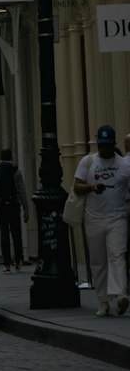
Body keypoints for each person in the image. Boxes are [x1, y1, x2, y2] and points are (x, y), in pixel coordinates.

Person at [73, 124, 130, 317]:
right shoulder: (88, 162)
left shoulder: (124, 165)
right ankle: (103, 301)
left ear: (113, 145)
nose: (104, 149)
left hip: (117, 217)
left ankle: (121, 294)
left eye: (107, 145)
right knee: (98, 262)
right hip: (94, 219)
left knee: (117, 255)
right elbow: (76, 186)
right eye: (101, 145)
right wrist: (91, 187)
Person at [0, 147, 28, 272]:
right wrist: (26, 209)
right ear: (10, 157)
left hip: (2, 205)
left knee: (4, 234)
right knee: (16, 232)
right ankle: (18, 260)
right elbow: (21, 190)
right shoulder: (16, 170)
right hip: (14, 204)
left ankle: (7, 263)